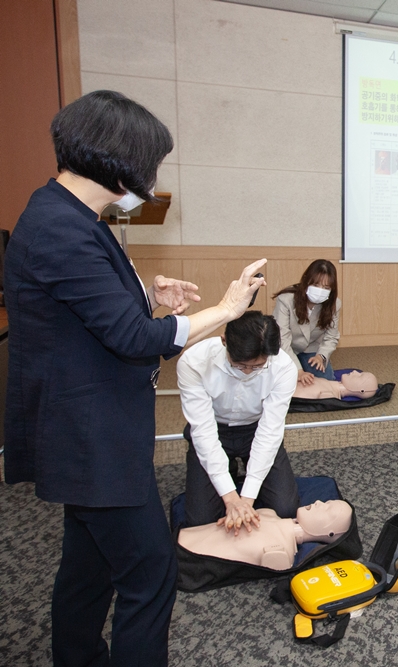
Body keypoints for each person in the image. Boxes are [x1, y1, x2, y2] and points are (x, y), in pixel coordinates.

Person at [3, 90, 266, 667]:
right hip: (90, 441)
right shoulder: (64, 229)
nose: (151, 177)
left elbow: (85, 313)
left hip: (88, 435)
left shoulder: (65, 214)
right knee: (150, 573)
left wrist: (147, 296)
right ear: (121, 160)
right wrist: (224, 309)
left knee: (88, 568)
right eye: (152, 163)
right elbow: (133, 339)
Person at [177, 311, 299, 529]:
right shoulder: (194, 361)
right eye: (240, 366)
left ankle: (237, 479)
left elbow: (269, 432)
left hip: (255, 430)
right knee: (200, 520)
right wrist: (231, 498)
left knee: (285, 509)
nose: (247, 373)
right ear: (224, 340)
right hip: (214, 429)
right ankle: (228, 473)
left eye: (257, 367)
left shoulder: (283, 368)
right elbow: (203, 432)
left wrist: (246, 499)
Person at [177, 500, 353, 569]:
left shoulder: (280, 553)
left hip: (180, 556)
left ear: (330, 533)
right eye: (327, 502)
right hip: (182, 536)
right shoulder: (269, 513)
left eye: (328, 509)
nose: (319, 502)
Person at [273, 259, 342, 385]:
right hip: (285, 349)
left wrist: (320, 356)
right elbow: (282, 340)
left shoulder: (334, 304)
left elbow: (331, 336)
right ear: (306, 281)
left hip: (310, 348)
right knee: (284, 383)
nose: (320, 290)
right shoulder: (286, 300)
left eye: (326, 287)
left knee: (326, 383)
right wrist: (298, 371)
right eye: (316, 285)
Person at [292, 371, 379, 400]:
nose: (355, 371)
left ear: (362, 390)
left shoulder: (330, 394)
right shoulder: (329, 384)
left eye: (360, 376)